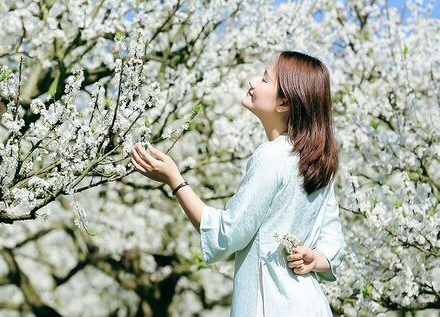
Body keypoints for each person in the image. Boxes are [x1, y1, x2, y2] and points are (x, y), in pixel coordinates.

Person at [130, 50, 347, 316]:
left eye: (265, 79)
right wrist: (317, 258)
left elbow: (228, 233)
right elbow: (333, 239)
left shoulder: (271, 156)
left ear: (284, 103)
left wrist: (174, 180)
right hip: (311, 304)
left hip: (270, 305)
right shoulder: (318, 161)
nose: (252, 81)